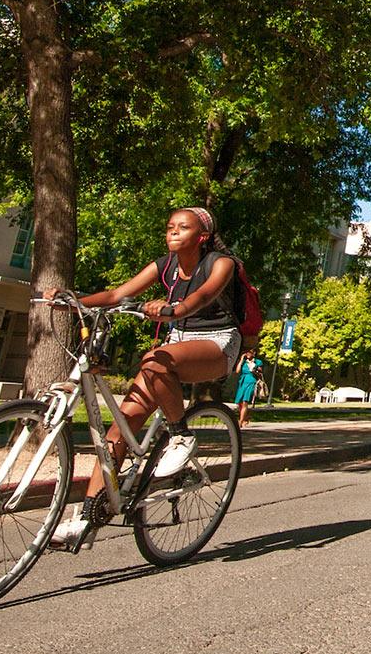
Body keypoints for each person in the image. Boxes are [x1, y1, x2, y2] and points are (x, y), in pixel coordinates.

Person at [46, 206, 240, 549]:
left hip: (216, 342)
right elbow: (117, 295)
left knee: (153, 361)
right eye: (170, 227)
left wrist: (173, 310)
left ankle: (181, 436)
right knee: (121, 425)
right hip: (174, 344)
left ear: (203, 236)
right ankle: (88, 519)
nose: (173, 232)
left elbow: (203, 296)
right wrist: (71, 300)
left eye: (183, 227)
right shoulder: (163, 264)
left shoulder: (221, 263)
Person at [234, 352, 264, 427]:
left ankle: (240, 421)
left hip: (251, 382)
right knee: (239, 402)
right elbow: (237, 371)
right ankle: (245, 418)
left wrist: (254, 371)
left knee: (245, 401)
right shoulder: (243, 362)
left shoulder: (258, 362)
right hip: (242, 382)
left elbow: (260, 374)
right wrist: (241, 360)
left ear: (253, 353)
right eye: (246, 353)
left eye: (249, 352)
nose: (247, 354)